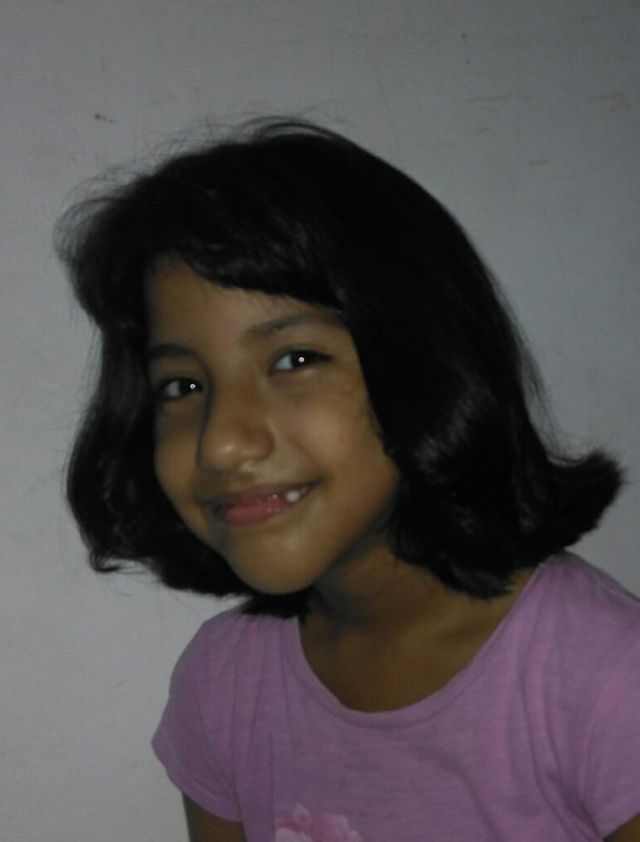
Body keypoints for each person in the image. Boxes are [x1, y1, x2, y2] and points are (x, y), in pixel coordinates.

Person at [56, 119, 640, 842]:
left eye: (294, 360)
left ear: (427, 365)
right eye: (182, 386)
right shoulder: (226, 684)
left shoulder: (605, 679)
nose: (223, 441)